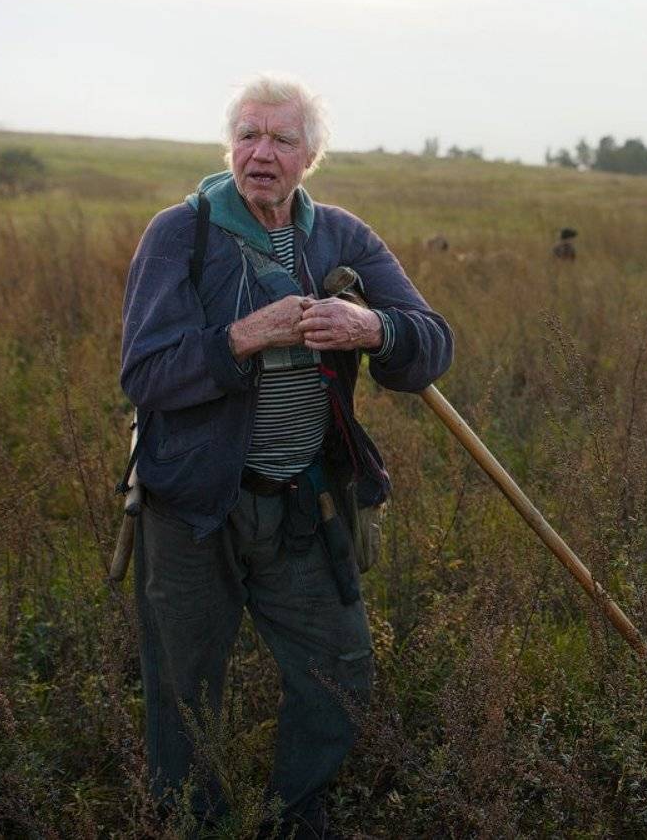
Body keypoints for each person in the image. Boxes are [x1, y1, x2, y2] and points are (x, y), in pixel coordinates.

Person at [120, 74, 452, 836]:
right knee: (182, 690)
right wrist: (245, 335)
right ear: (229, 146)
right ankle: (192, 823)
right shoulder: (181, 233)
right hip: (193, 506)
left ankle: (294, 818)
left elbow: (430, 342)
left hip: (301, 500)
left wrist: (376, 330)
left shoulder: (340, 237)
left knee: (341, 673)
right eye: (247, 134)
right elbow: (143, 373)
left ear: (311, 157)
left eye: (281, 139)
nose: (260, 153)